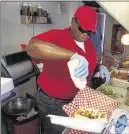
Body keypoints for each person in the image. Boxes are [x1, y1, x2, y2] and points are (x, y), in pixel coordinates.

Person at [26, 5, 110, 134]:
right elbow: (32, 47)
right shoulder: (57, 36)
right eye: (82, 29)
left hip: (77, 99)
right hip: (53, 101)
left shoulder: (88, 44)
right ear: (73, 21)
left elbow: (88, 64)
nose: (85, 34)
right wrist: (72, 55)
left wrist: (99, 67)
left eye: (90, 32)